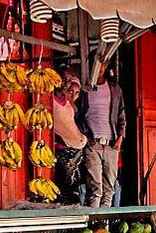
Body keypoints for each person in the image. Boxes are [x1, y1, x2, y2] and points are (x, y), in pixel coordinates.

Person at [76, 56, 125, 207]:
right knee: (95, 187)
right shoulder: (84, 89)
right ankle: (94, 225)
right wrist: (84, 136)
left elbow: (121, 114)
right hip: (93, 143)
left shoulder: (114, 88)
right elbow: (77, 115)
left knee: (109, 188)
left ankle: (105, 227)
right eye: (97, 64)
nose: (100, 67)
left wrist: (121, 137)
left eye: (103, 64)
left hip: (111, 143)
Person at [52, 73, 88, 205]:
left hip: (77, 148)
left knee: (72, 185)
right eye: (70, 91)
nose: (73, 95)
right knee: (64, 185)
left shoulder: (70, 106)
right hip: (63, 149)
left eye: (77, 93)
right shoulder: (52, 102)